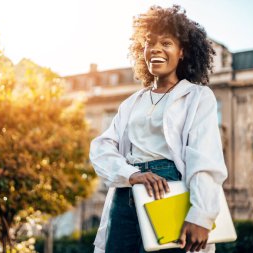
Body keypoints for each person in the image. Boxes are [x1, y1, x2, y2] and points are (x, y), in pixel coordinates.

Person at [89, 5, 227, 253]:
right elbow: (101, 147)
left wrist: (201, 215)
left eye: (166, 43)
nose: (155, 49)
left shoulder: (197, 96)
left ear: (182, 52)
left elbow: (204, 155)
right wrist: (130, 174)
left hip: (170, 189)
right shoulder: (132, 102)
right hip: (126, 194)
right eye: (149, 42)